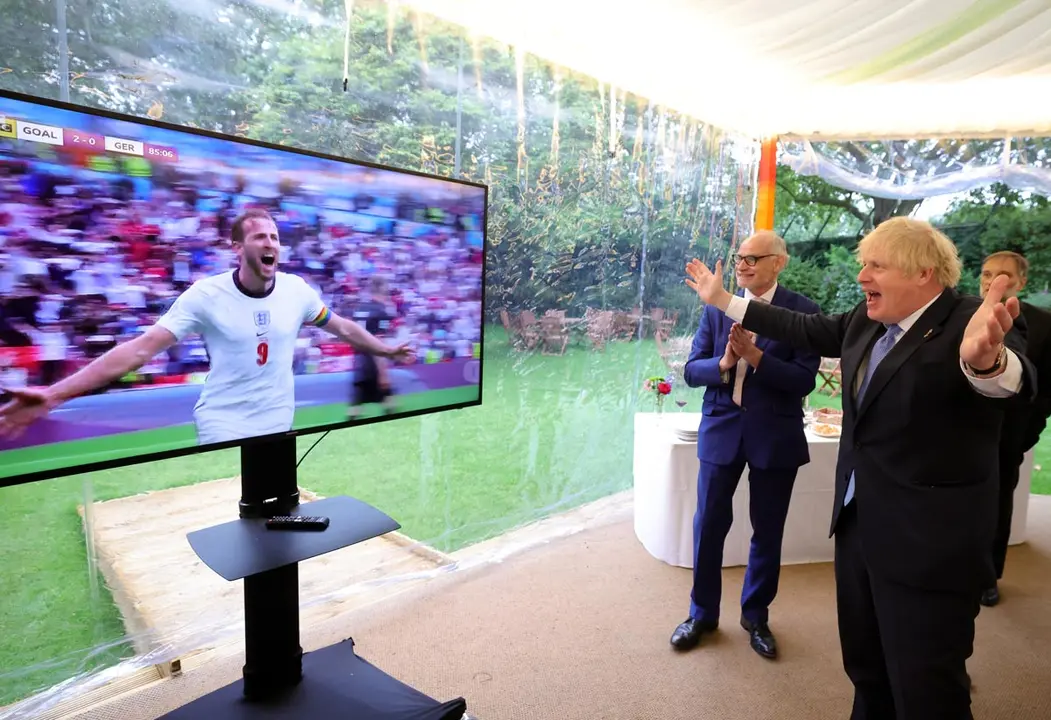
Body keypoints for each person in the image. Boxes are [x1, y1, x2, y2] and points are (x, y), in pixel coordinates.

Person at [685, 217, 1034, 720]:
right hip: (858, 531)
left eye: (876, 265)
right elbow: (799, 327)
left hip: (928, 546)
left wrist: (988, 365)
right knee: (866, 671)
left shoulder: (971, 320)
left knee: (926, 686)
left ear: (923, 273)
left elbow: (1017, 380)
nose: (862, 276)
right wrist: (722, 300)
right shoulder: (867, 320)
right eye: (862, 264)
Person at [0, 209, 414, 445]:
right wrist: (53, 394)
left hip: (279, 424)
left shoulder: (297, 291)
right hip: (223, 424)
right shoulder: (205, 295)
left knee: (275, 521)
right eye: (259, 237)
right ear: (237, 248)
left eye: (275, 236)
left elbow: (344, 329)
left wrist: (388, 351)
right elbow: (140, 350)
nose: (271, 243)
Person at [670, 230, 821, 660]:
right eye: (740, 257)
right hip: (722, 428)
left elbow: (803, 381)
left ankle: (756, 616)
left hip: (775, 433)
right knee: (708, 526)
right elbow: (691, 369)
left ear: (780, 263)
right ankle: (701, 614)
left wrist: (757, 358)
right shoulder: (718, 308)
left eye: (755, 257)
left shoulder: (804, 313)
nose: (743, 264)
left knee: (767, 531)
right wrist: (725, 362)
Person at [978, 251, 1051, 607]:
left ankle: (989, 576)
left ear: (1021, 282)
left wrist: (1027, 434)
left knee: (997, 504)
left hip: (1009, 437)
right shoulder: (960, 315)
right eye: (987, 273)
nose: (993, 281)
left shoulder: (1043, 324)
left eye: (1004, 275)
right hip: (958, 435)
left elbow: (1046, 389)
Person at [348, 275, 399, 419]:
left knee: (356, 404)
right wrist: (383, 372)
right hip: (372, 360)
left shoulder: (359, 309)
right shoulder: (381, 311)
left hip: (358, 359)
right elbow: (378, 342)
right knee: (389, 401)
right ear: (383, 289)